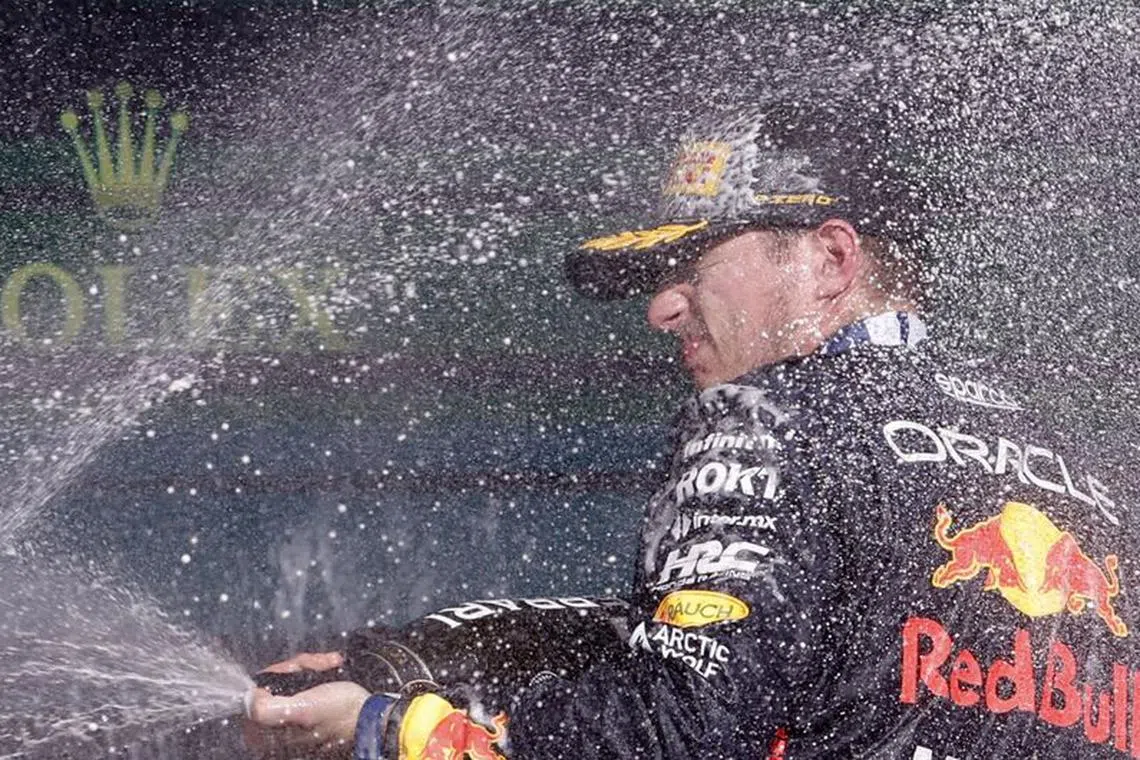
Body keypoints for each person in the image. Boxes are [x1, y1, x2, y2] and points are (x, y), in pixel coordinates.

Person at [245, 102, 1137, 759]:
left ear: (831, 259)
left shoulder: (767, 416)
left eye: (693, 263)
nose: (663, 308)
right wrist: (424, 658)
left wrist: (394, 729)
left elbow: (677, 730)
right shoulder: (1087, 469)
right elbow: (763, 645)